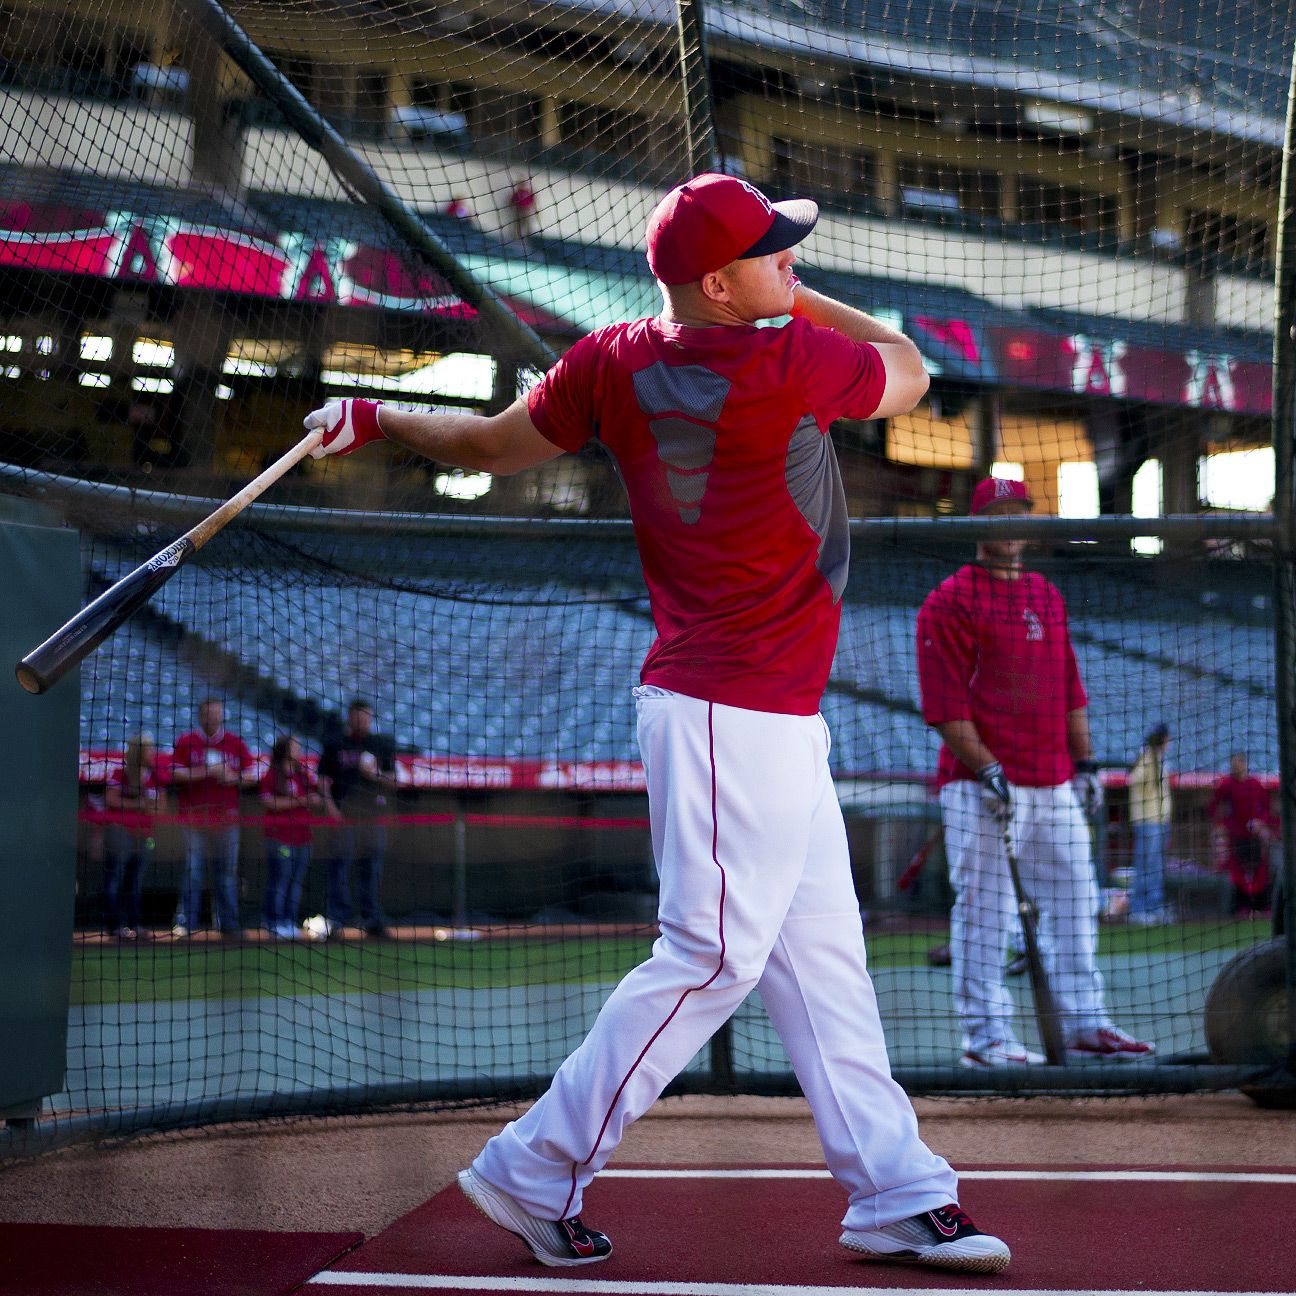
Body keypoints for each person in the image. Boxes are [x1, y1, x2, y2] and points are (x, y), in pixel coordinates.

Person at [303, 172, 1011, 1274]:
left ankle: (895, 1192)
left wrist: (373, 414)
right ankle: (537, 1168)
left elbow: (490, 447)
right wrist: (804, 302)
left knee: (823, 966)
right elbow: (915, 371)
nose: (792, 261)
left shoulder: (614, 357)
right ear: (720, 283)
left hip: (758, 708)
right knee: (710, 956)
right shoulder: (789, 354)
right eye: (773, 253)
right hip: (732, 708)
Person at [916, 476, 1155, 1069]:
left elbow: (1071, 688)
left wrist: (1087, 763)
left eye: (1019, 511)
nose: (1011, 523)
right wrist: (990, 770)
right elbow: (944, 707)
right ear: (977, 524)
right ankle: (985, 1037)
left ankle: (1084, 1025)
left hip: (1053, 781)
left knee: (1078, 899)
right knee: (985, 910)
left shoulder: (1046, 594)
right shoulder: (949, 599)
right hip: (981, 787)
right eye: (998, 513)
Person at [169, 698, 257, 937]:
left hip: (226, 818)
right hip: (193, 818)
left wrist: (233, 778)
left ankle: (228, 924)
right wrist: (207, 772)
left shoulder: (234, 742)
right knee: (192, 872)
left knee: (227, 873)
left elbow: (252, 775)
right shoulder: (187, 741)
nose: (213, 717)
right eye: (208, 713)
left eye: (217, 713)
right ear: (199, 715)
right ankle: (186, 923)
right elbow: (175, 774)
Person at [318, 700, 397, 938]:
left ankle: (371, 919)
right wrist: (330, 808)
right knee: (339, 869)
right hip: (345, 816)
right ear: (350, 717)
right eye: (359, 716)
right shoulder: (335, 743)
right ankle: (337, 921)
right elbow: (322, 779)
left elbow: (394, 779)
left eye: (367, 716)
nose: (363, 720)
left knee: (371, 870)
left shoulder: (379, 743)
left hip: (372, 817)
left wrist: (374, 774)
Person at [259, 734, 332, 938]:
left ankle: (288, 921)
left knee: (295, 881)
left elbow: (314, 796)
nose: (298, 750)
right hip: (280, 836)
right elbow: (269, 802)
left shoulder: (302, 773)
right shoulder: (273, 775)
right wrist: (300, 801)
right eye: (294, 747)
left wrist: (315, 798)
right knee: (280, 879)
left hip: (303, 836)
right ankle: (273, 921)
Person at [102, 733, 162, 939]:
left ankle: (134, 924)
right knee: (115, 878)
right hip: (120, 832)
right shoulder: (121, 772)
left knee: (134, 880)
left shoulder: (153, 775)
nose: (151, 753)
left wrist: (148, 806)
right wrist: (139, 804)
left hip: (144, 834)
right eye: (148, 749)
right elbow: (110, 799)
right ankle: (114, 925)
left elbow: (159, 807)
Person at [1208, 751, 1275, 915]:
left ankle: (1262, 906)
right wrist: (1221, 824)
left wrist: (1261, 823)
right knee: (1238, 872)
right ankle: (1242, 907)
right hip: (1237, 836)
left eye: (1238, 762)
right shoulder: (1226, 785)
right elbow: (1214, 807)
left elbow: (1267, 808)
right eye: (1233, 763)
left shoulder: (1255, 784)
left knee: (1260, 869)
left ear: (1244, 764)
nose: (1235, 766)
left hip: (1255, 836)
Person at [1127, 723, 1173, 925]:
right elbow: (1133, 780)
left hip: (1160, 821)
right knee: (1146, 866)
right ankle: (1138, 909)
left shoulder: (1160, 760)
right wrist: (1149, 758)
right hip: (1147, 821)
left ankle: (1154, 907)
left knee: (1156, 867)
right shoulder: (1147, 758)